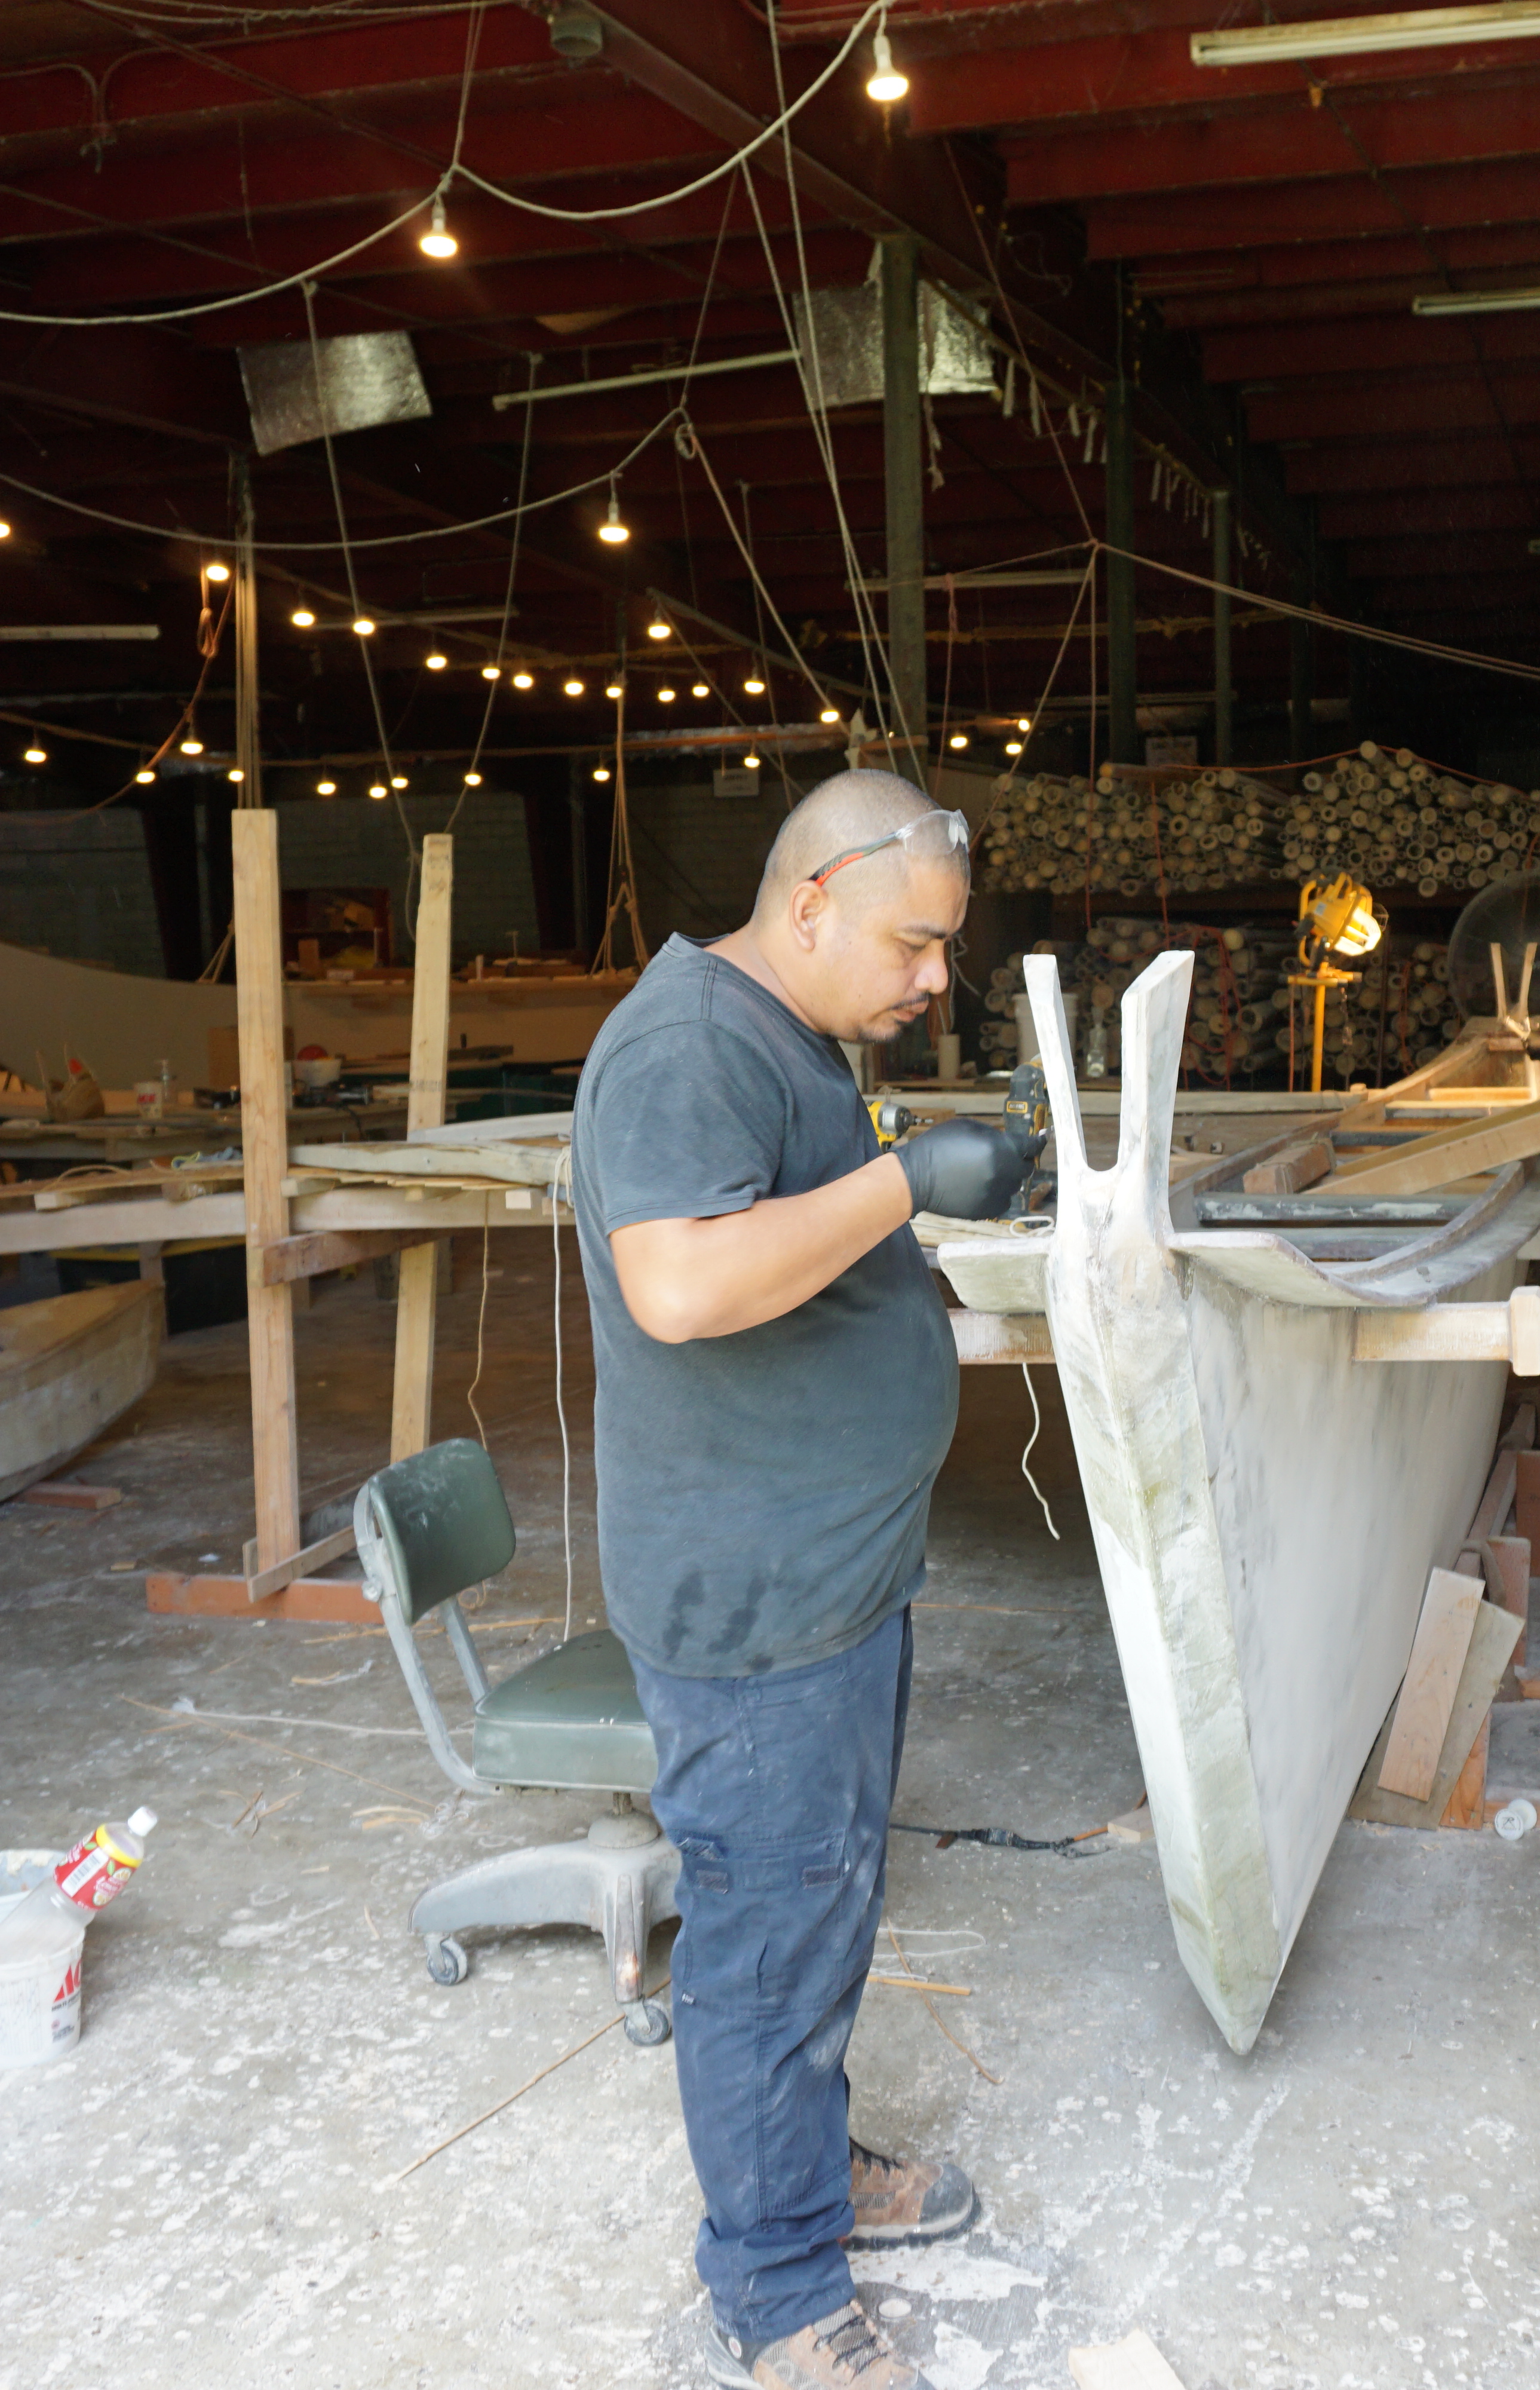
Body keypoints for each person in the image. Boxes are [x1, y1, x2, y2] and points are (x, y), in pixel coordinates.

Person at [570, 769, 1042, 2390]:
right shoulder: (687, 1043)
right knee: (769, 1945)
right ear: (816, 897)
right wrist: (913, 1181)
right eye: (917, 945)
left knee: (820, 1914)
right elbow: (682, 1283)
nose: (934, 981)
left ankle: (802, 2176)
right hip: (755, 1603)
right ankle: (776, 2295)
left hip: (825, 1575)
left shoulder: (783, 1040)